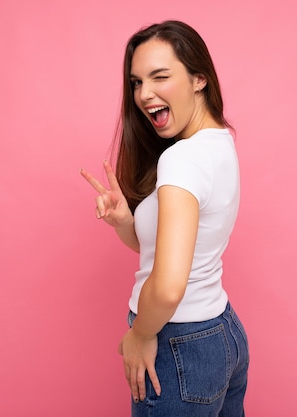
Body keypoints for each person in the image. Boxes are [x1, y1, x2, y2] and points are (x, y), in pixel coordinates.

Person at [80, 20, 249, 416]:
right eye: (137, 82)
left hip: (179, 345)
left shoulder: (182, 158)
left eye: (160, 76)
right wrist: (126, 220)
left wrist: (140, 334)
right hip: (222, 333)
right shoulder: (218, 142)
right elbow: (166, 249)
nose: (144, 94)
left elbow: (170, 286)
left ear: (199, 79)